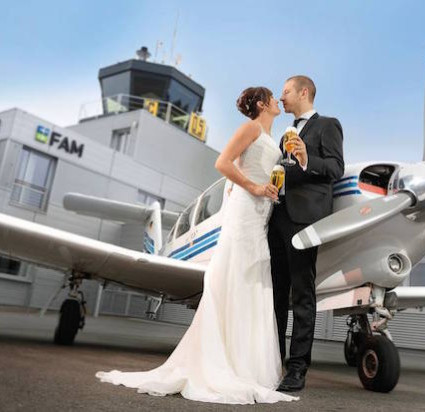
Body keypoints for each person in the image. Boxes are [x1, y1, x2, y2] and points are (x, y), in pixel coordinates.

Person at [96, 87, 298, 405]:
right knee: (234, 276)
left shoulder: (273, 137)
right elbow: (223, 162)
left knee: (251, 281)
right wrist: (253, 187)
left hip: (261, 211)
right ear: (262, 104)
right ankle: (221, 362)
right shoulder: (251, 127)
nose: (277, 101)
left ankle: (245, 364)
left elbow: (253, 168)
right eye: (273, 97)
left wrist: (269, 190)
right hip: (246, 208)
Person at [269, 75, 344, 392]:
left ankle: (297, 369)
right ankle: (272, 362)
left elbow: (335, 169)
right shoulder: (283, 133)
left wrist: (305, 158)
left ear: (303, 92)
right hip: (277, 218)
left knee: (301, 295)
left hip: (305, 220)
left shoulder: (328, 124)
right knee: (275, 296)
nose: (281, 96)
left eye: (285, 91)